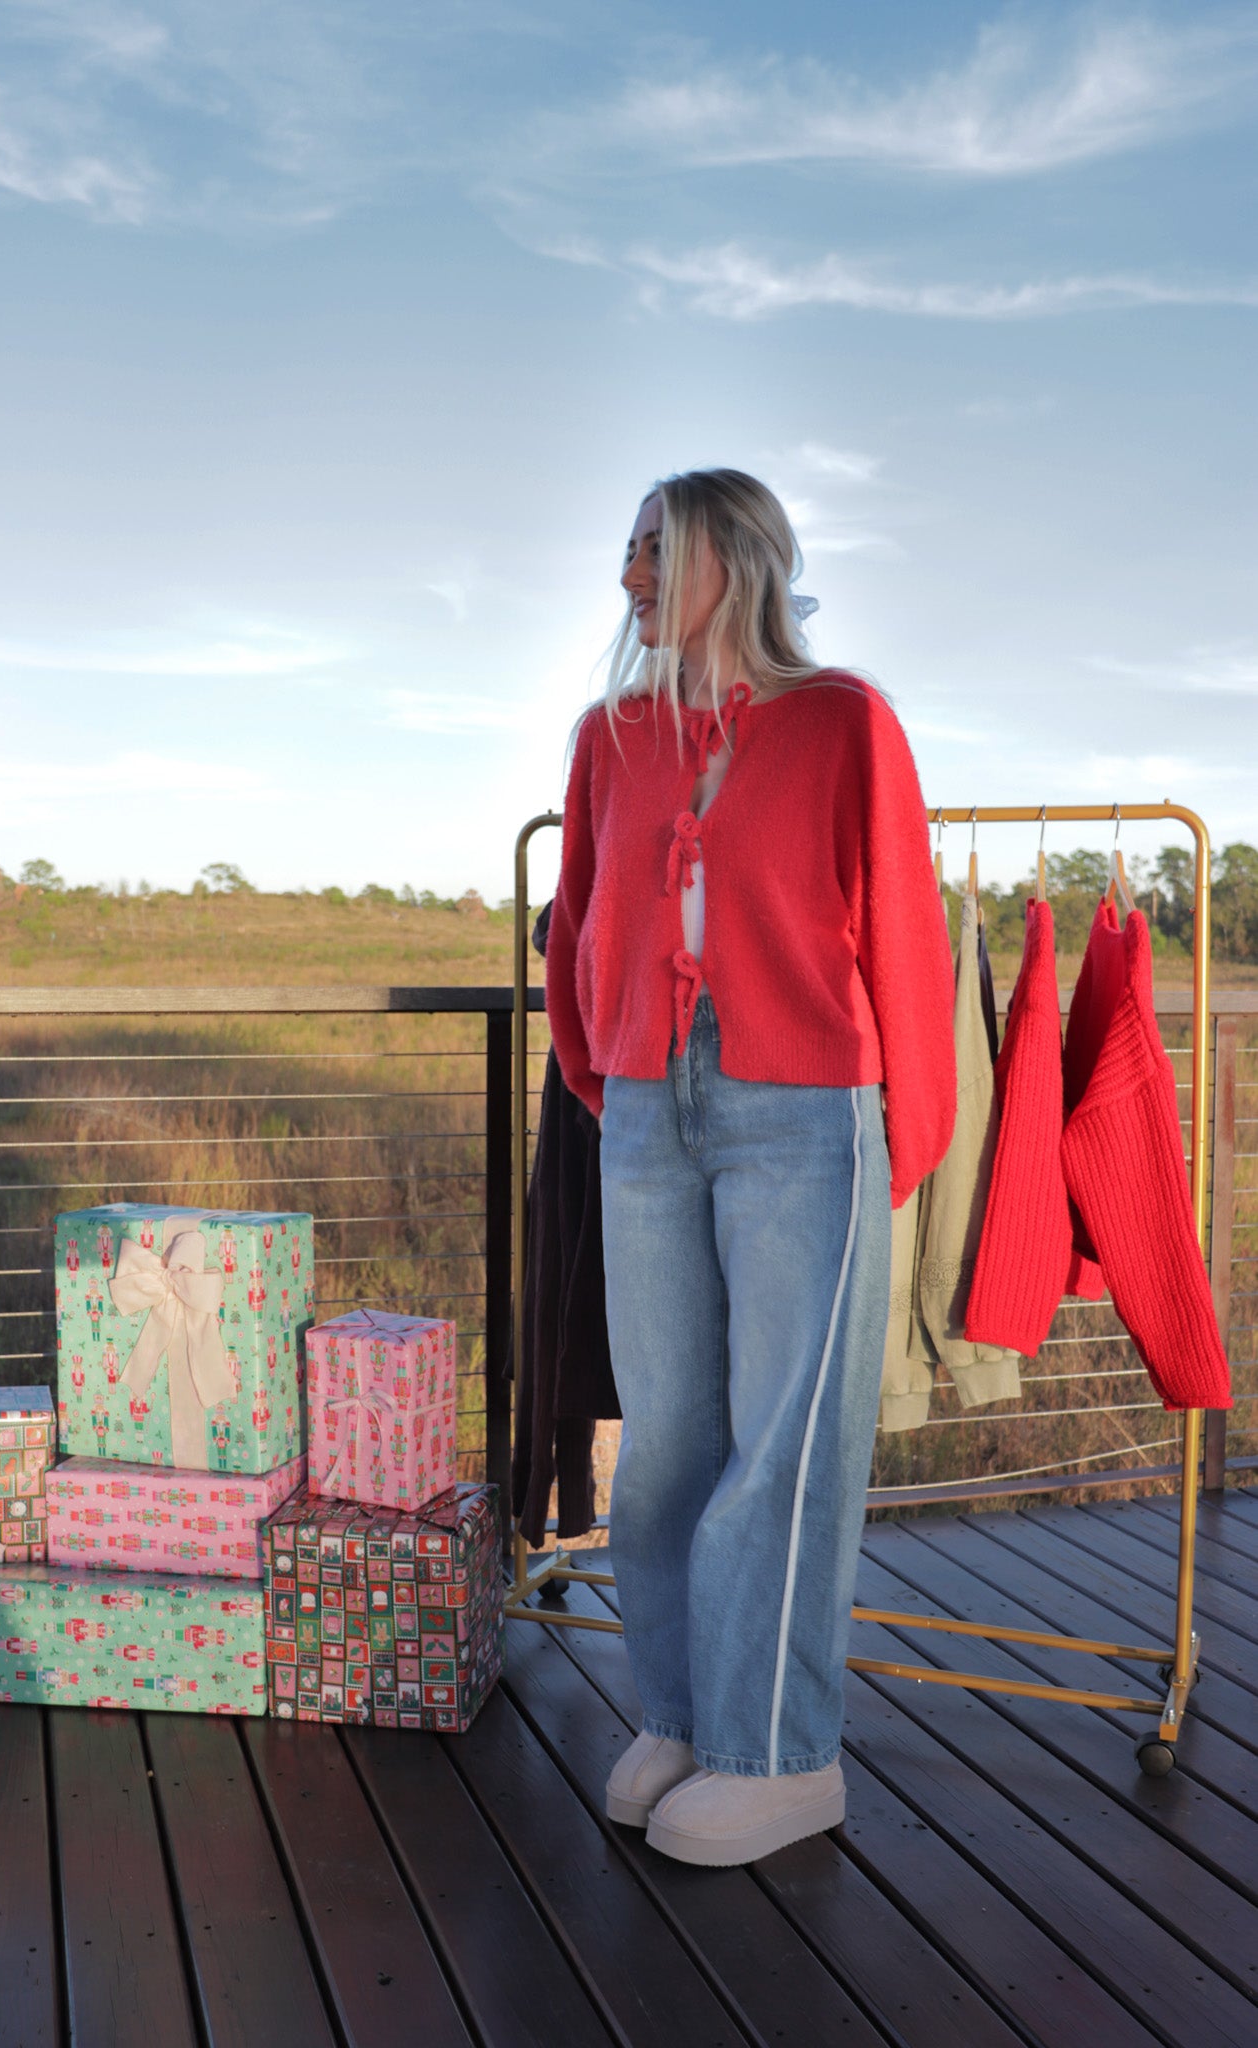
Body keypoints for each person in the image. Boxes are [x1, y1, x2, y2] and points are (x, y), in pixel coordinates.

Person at [545, 468, 956, 1866]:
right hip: (651, 1101)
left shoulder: (844, 718)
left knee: (785, 1443)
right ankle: (678, 1715)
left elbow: (899, 921)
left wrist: (911, 1123)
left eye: (652, 549)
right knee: (662, 1440)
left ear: (732, 553)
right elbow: (578, 910)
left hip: (804, 1102)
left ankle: (779, 1756)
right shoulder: (609, 736)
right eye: (625, 552)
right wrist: (599, 1065)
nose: (629, 578)